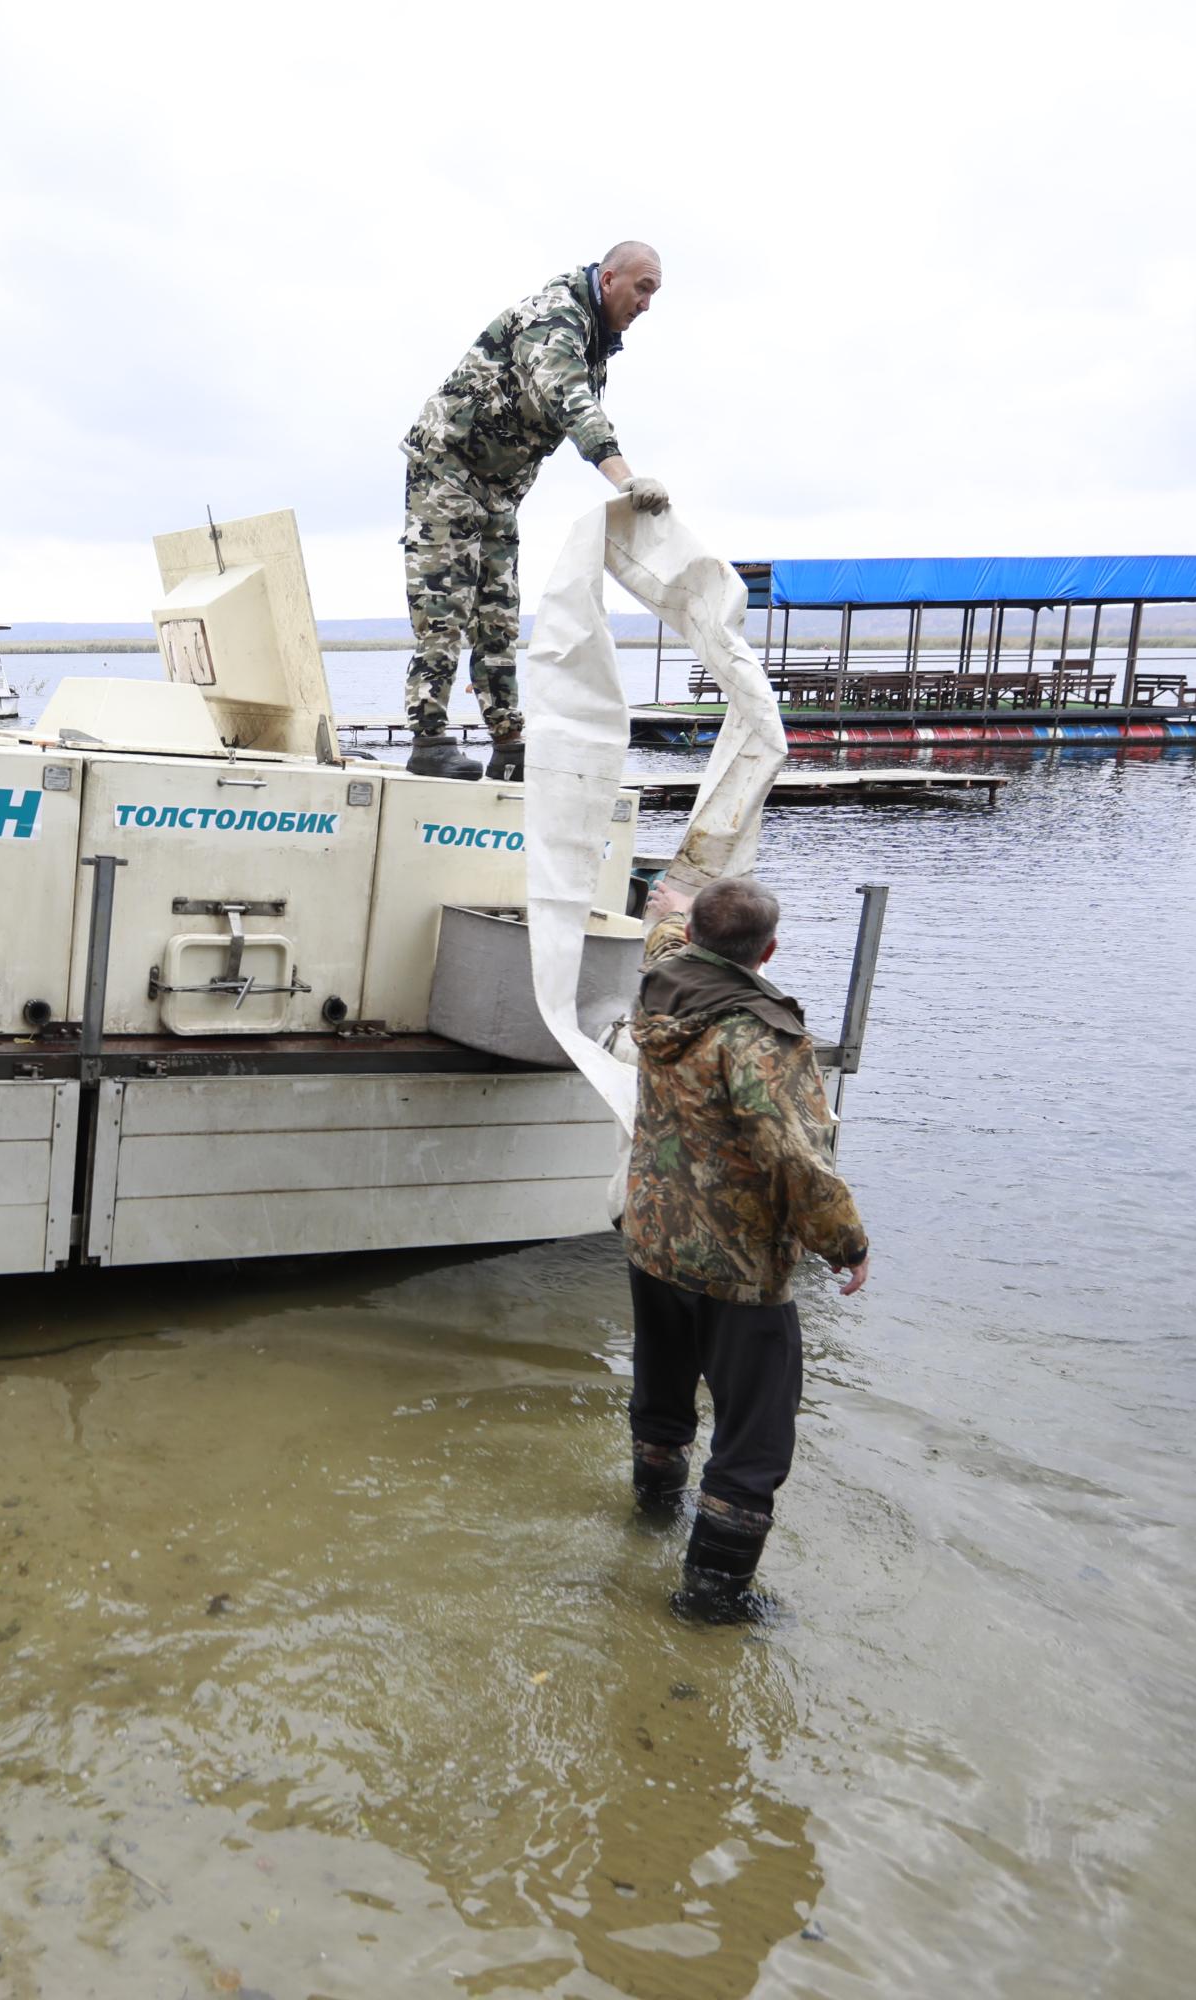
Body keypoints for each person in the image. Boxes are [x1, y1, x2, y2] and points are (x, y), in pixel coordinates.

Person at [622, 874, 869, 1621]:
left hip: (655, 1238)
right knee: (755, 1439)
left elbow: (669, 944)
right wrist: (845, 1242)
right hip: (736, 1267)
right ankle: (712, 1597)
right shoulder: (760, 1035)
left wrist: (666, 915)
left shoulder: (661, 992)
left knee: (663, 1395)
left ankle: (651, 1516)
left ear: (692, 934)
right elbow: (796, 1156)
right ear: (770, 950)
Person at [399, 242, 672, 782]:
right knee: (445, 606)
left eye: (654, 294)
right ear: (610, 278)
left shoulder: (595, 341)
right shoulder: (555, 319)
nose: (646, 304)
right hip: (448, 469)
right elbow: (571, 400)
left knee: (498, 615)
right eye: (642, 288)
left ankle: (508, 741)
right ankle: (428, 740)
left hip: (498, 489)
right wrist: (626, 480)